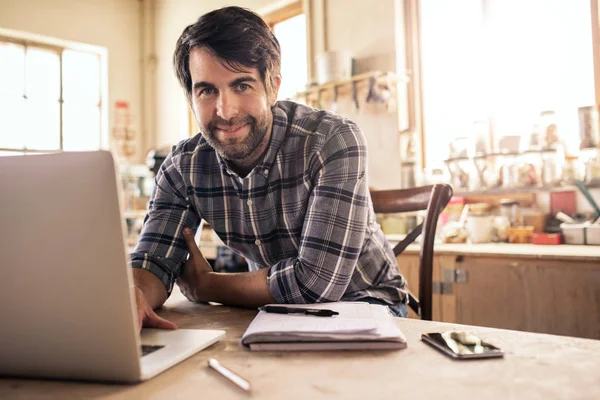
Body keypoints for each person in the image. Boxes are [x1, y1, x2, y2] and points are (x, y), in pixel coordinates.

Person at [130, 6, 408, 330]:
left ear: (273, 87)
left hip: (366, 303)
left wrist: (208, 286)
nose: (226, 110)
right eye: (207, 90)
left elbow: (316, 283)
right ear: (191, 98)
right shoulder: (182, 168)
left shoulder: (332, 139)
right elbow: (152, 261)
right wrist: (133, 296)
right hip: (273, 312)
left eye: (242, 85)